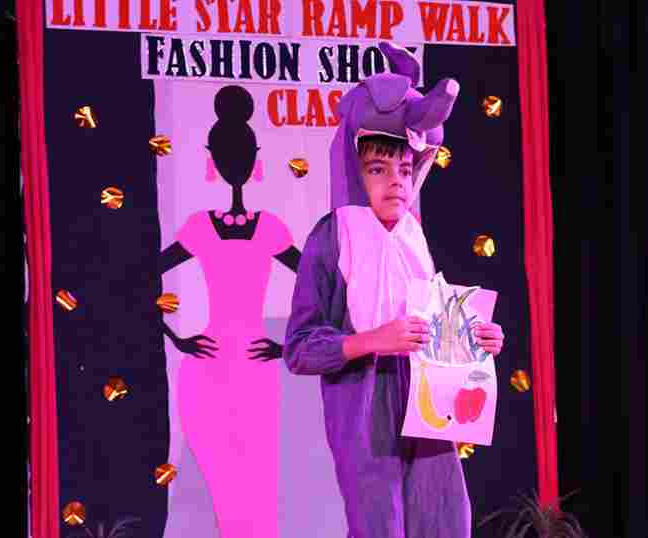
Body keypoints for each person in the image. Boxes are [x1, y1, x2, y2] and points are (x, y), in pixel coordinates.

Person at [283, 43, 505, 537]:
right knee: (381, 525)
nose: (396, 182)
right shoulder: (331, 238)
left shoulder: (412, 237)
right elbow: (298, 349)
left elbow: (436, 322)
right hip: (366, 407)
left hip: (428, 402)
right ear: (353, 171)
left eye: (405, 170)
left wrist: (477, 340)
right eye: (378, 169)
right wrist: (372, 340)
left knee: (444, 520)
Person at [156, 85, 299, 537]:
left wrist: (289, 344)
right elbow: (140, 279)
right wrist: (176, 338)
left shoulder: (268, 228)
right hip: (212, 368)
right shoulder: (202, 228)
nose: (232, 162)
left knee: (256, 481)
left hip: (252, 369)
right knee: (226, 486)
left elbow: (323, 286)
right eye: (228, 154)